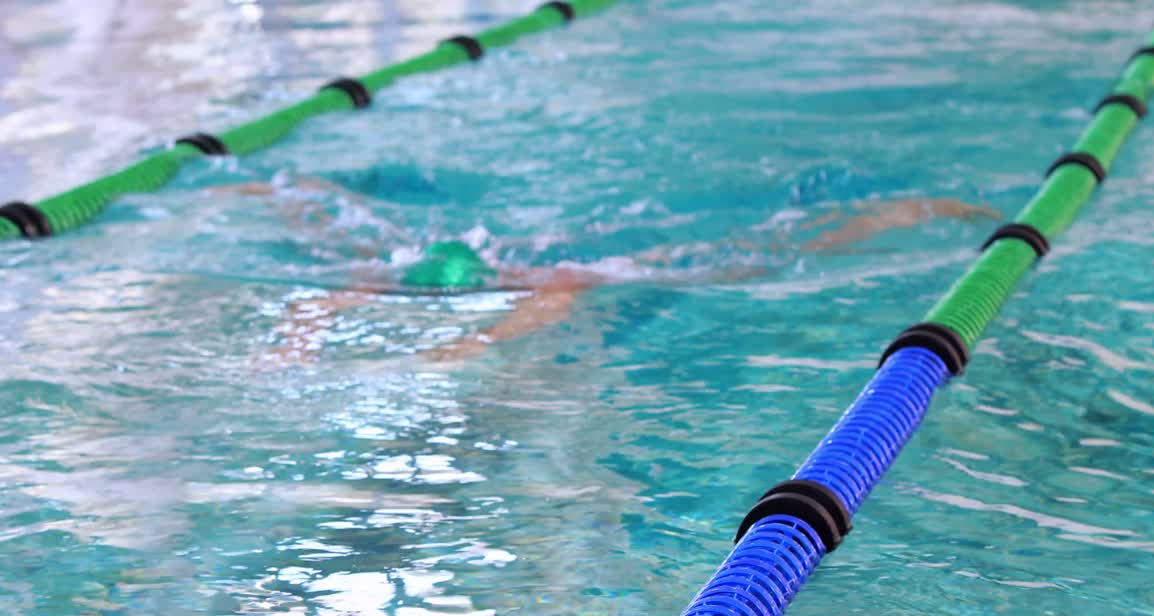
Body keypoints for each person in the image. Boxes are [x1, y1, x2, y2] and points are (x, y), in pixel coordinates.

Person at [219, 170, 997, 364]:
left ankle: (901, 210)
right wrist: (292, 344)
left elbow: (547, 303)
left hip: (591, 265)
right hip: (500, 270)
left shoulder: (565, 276)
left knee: (758, 256)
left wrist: (465, 348)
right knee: (761, 251)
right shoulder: (395, 272)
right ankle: (273, 186)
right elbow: (322, 301)